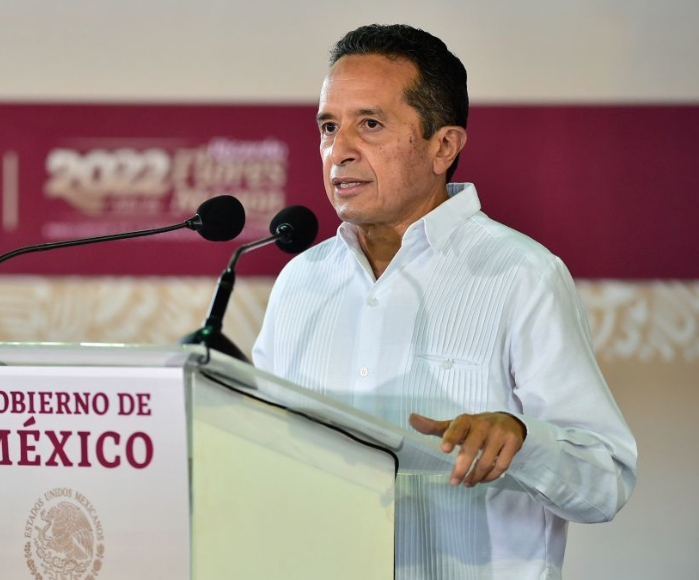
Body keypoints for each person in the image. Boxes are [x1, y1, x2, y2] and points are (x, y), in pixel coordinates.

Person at [252, 24, 637, 579]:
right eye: (329, 127)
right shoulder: (300, 282)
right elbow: (256, 447)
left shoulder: (521, 275)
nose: (339, 151)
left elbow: (606, 480)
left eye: (371, 124)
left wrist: (522, 440)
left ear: (444, 146)